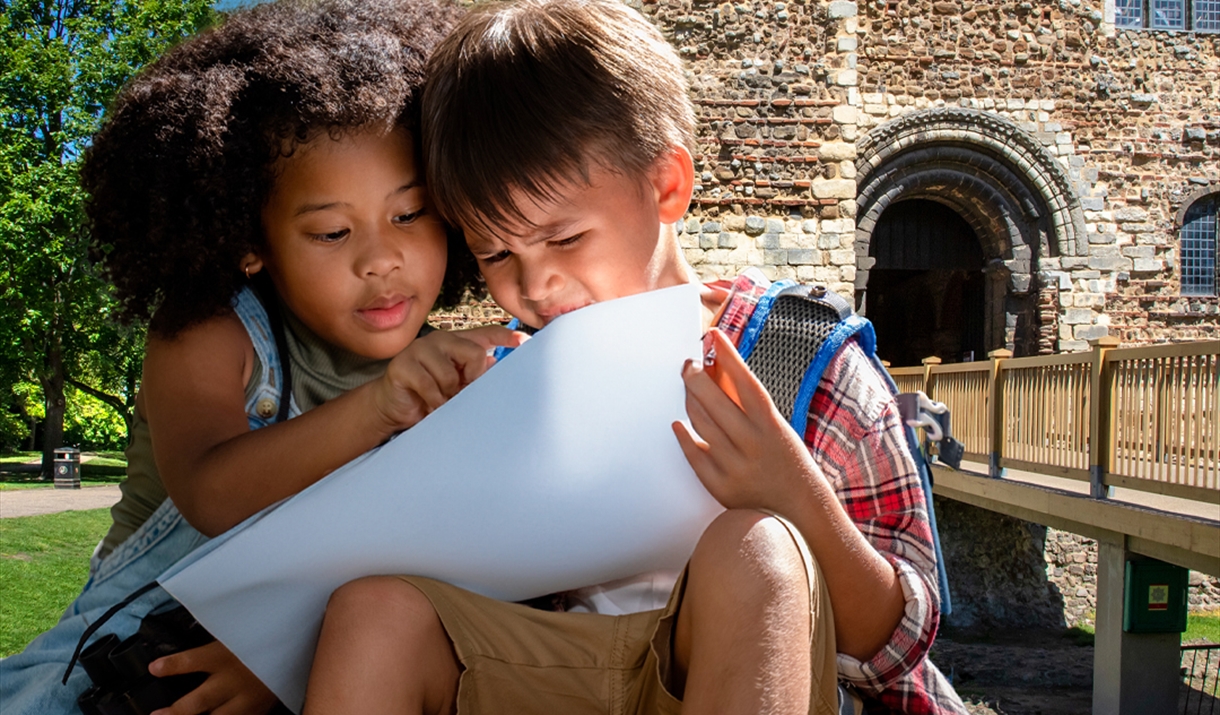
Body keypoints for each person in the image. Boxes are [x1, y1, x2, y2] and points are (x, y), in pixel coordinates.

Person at [303, 0, 968, 713]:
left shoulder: (801, 358)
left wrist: (793, 496)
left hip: (754, 679)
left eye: (563, 239)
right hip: (557, 672)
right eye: (496, 252)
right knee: (373, 613)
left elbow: (895, 644)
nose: (534, 286)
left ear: (665, 186)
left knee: (756, 550)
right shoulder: (503, 382)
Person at [0, 1, 521, 714]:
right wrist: (379, 407)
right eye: (332, 232)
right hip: (106, 681)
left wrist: (286, 654)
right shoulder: (212, 331)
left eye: (409, 213)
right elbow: (213, 493)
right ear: (251, 241)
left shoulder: (448, 379)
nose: (382, 259)